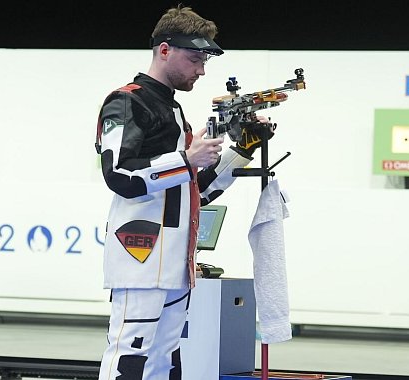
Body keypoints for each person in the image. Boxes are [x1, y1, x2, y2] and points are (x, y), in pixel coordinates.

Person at [93, 5, 273, 379]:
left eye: (204, 60)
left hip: (176, 264)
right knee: (131, 352)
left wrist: (244, 149)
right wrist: (186, 160)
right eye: (194, 58)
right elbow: (119, 175)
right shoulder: (126, 100)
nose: (202, 69)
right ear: (164, 50)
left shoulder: (173, 109)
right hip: (140, 257)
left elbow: (195, 192)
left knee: (164, 356)